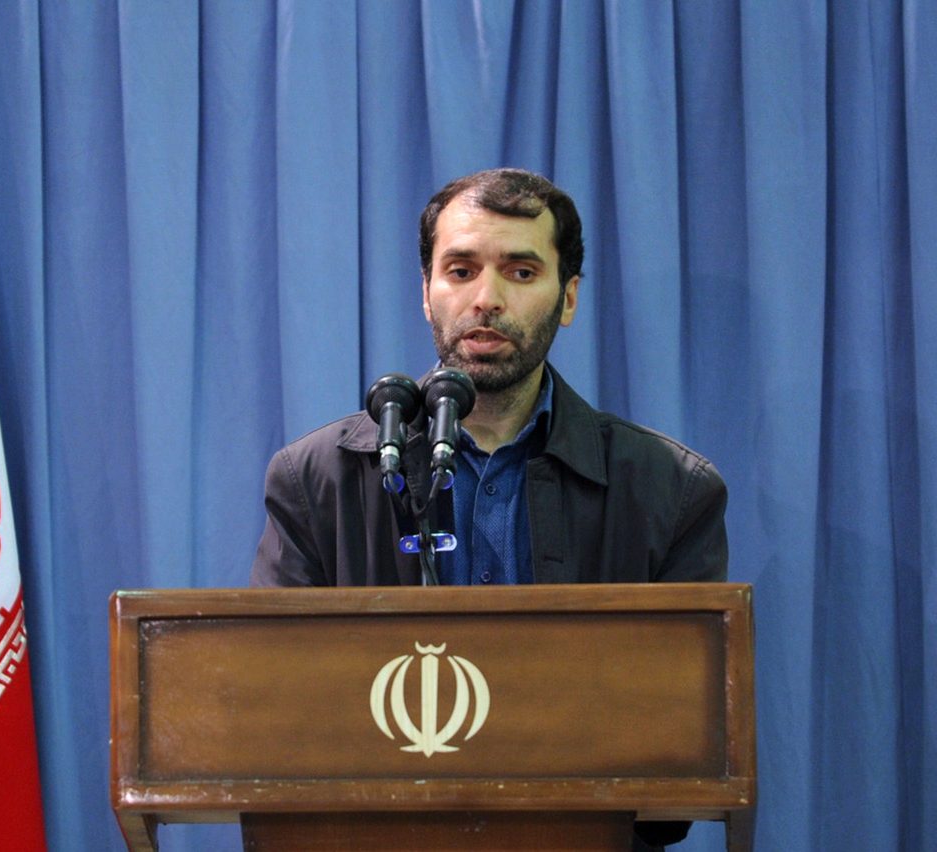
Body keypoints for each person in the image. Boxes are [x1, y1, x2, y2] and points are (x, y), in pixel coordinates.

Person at [250, 168, 727, 849]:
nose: (486, 299)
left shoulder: (669, 491)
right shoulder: (316, 480)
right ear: (425, 292)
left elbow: (676, 772)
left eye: (521, 272)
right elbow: (273, 726)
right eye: (461, 270)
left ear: (568, 298)